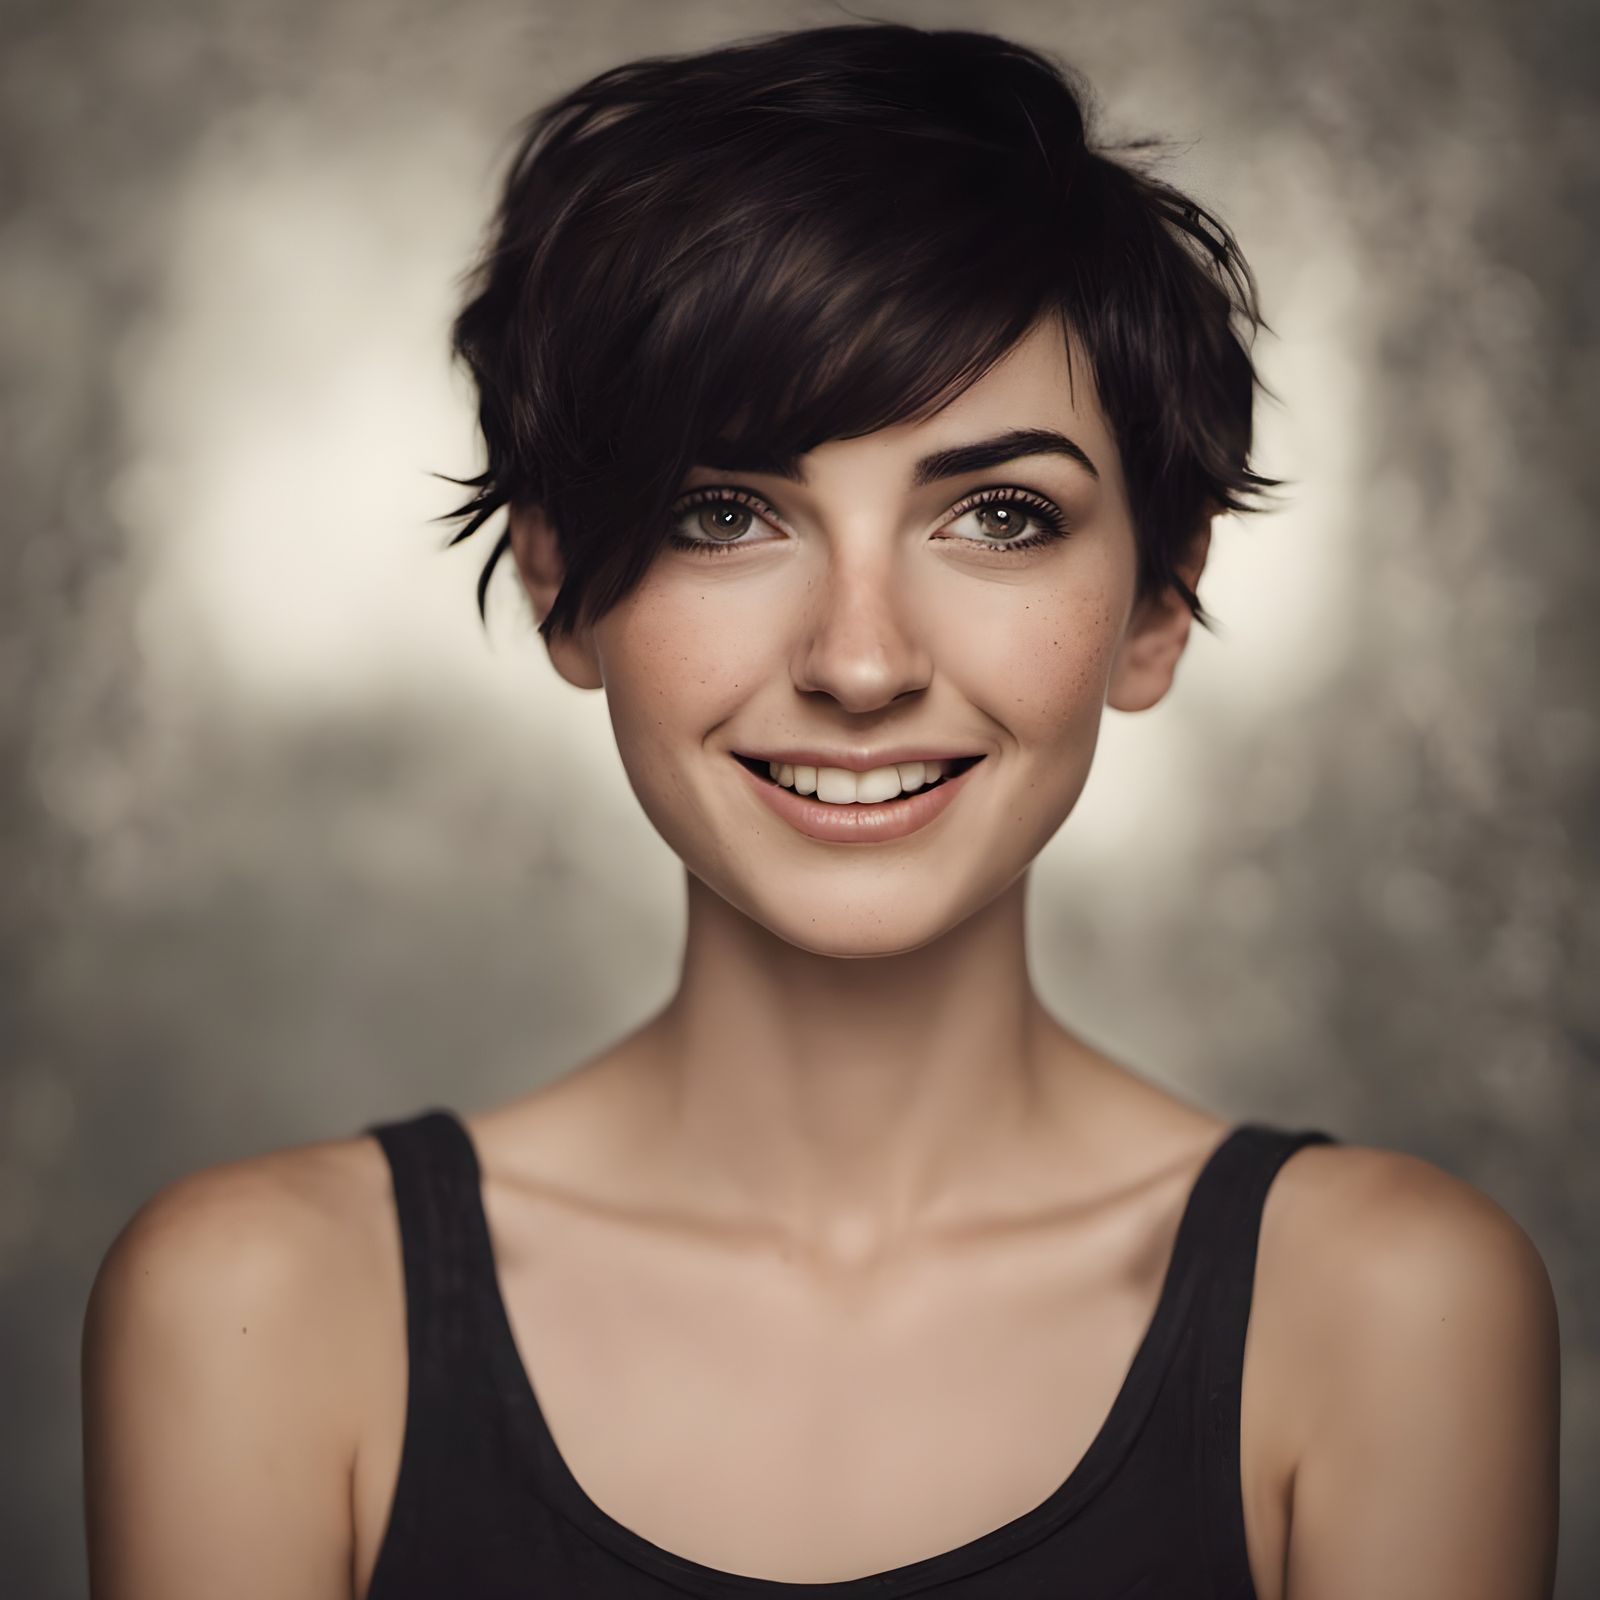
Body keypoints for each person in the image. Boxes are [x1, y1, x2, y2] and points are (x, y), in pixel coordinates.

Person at [81, 22, 1561, 1600]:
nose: (861, 661)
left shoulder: (1389, 1311)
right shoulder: (258, 1309)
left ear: (1159, 602)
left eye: (1000, 516)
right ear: (560, 584)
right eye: (728, 513)